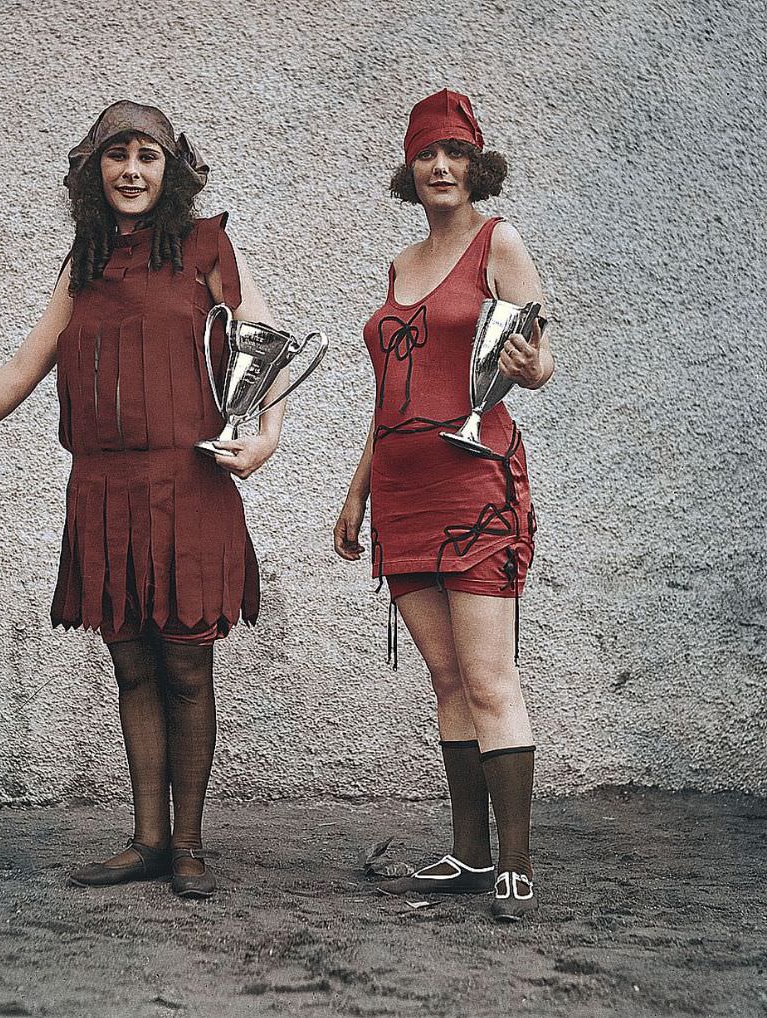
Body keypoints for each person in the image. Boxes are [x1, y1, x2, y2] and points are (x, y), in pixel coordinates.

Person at [0, 100, 288, 900]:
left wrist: (266, 439)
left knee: (186, 667)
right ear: (92, 170)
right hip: (104, 490)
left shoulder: (206, 246)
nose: (130, 171)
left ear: (171, 171)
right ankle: (146, 839)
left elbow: (265, 341)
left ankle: (191, 845)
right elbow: (23, 368)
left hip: (190, 485)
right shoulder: (85, 259)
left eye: (147, 156)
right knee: (131, 663)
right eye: (116, 156)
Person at [333, 89, 554, 921]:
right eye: (427, 153)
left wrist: (533, 370)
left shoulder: (499, 242)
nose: (440, 166)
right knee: (446, 675)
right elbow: (388, 394)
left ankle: (515, 866)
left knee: (491, 676)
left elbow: (538, 356)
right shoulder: (399, 264)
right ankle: (467, 856)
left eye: (455, 153)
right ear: (409, 168)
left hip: (474, 484)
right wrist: (356, 492)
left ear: (476, 165)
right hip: (401, 489)